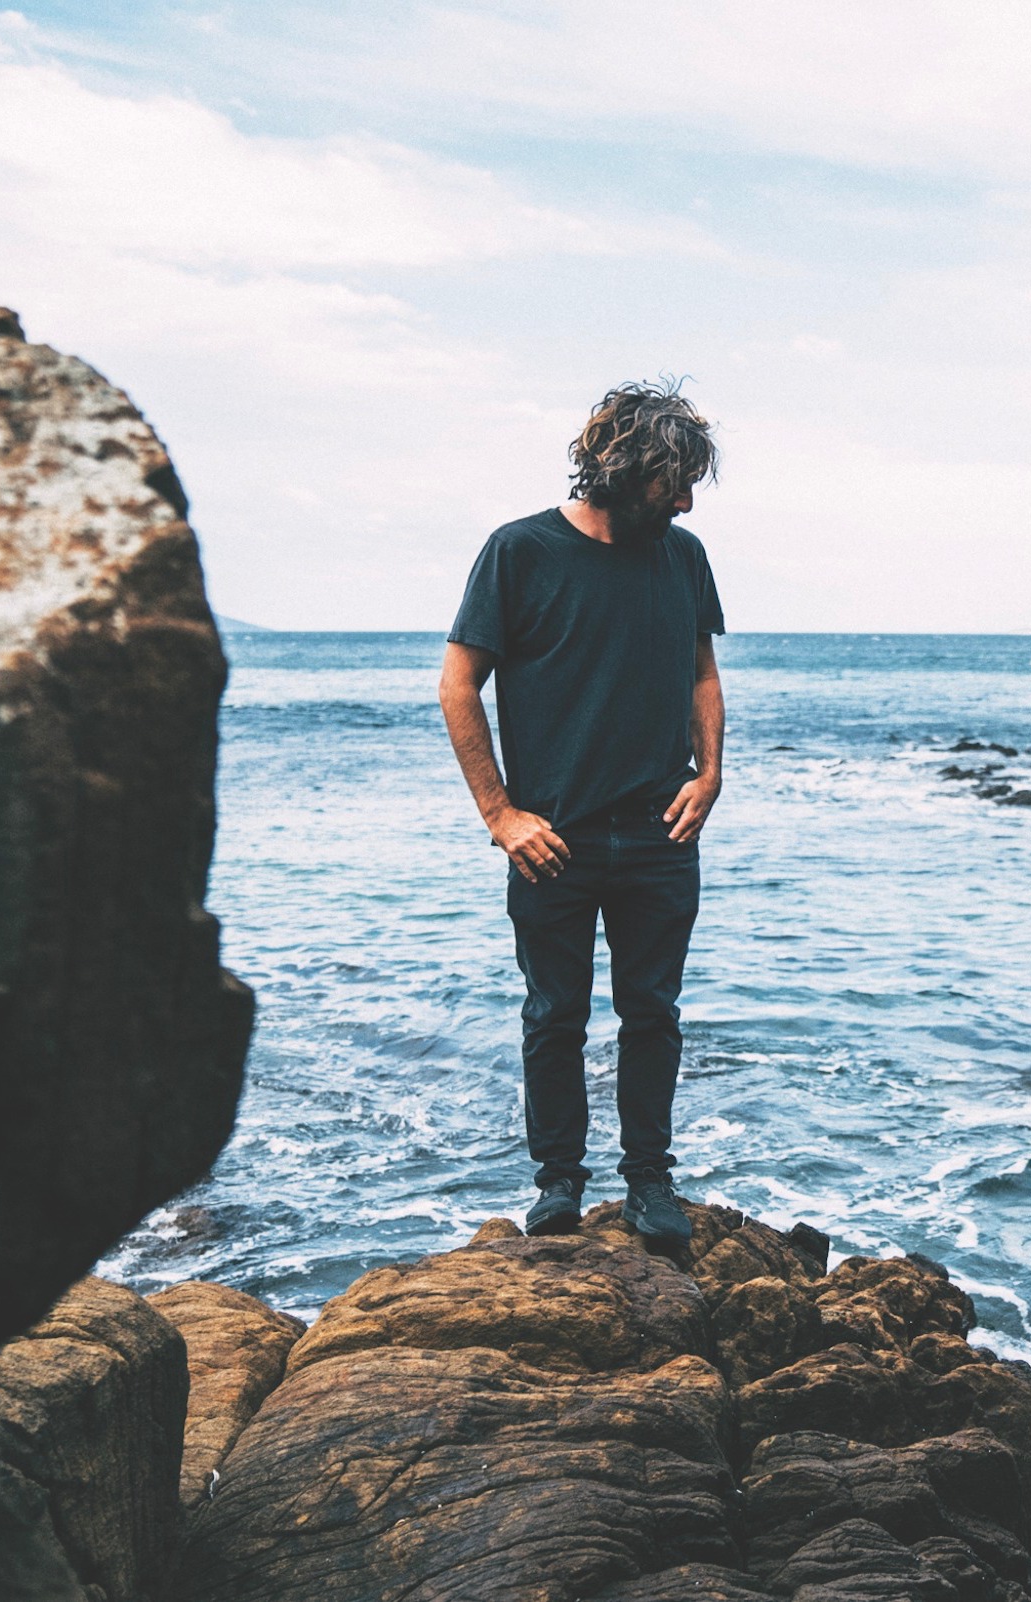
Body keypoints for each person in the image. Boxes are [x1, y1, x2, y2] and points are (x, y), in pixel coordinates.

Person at [438, 380, 725, 1247]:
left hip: (658, 833)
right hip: (551, 836)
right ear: (622, 468)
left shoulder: (684, 556)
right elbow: (458, 685)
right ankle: (558, 1182)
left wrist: (709, 774)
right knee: (552, 1015)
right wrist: (500, 814)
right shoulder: (519, 551)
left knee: (654, 1014)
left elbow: (701, 672)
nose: (681, 500)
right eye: (669, 481)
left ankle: (649, 1184)